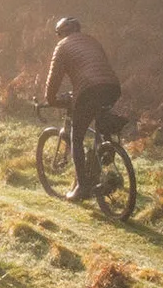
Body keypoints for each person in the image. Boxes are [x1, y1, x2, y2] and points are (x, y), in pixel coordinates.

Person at [43, 16, 122, 201]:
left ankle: (82, 187)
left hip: (88, 90)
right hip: (111, 86)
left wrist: (51, 100)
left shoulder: (62, 46)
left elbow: (54, 80)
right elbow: (97, 67)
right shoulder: (92, 41)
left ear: (61, 33)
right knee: (101, 123)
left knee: (76, 138)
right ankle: (106, 156)